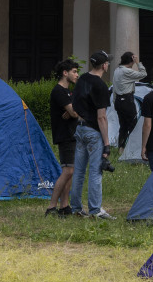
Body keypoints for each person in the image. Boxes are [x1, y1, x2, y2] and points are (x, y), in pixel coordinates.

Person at [69, 50, 114, 219]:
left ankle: (76, 208)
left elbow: (75, 105)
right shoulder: (101, 86)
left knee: (79, 171)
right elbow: (101, 117)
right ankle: (95, 210)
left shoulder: (81, 80)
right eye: (108, 62)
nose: (108, 64)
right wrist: (107, 142)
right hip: (93, 132)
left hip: (79, 128)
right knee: (96, 171)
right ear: (104, 65)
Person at [45, 58, 79, 217]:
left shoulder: (69, 92)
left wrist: (74, 111)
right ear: (65, 73)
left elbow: (76, 111)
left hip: (72, 135)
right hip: (65, 135)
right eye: (74, 71)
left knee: (70, 171)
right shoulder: (59, 91)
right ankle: (51, 207)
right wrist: (73, 112)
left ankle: (65, 206)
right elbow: (74, 113)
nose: (77, 75)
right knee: (67, 171)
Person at [111, 51, 146, 153]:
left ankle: (121, 148)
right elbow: (143, 74)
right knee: (133, 125)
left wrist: (114, 101)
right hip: (127, 100)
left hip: (118, 100)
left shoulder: (117, 70)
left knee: (123, 126)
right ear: (131, 61)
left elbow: (114, 88)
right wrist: (138, 63)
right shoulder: (126, 71)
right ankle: (132, 150)